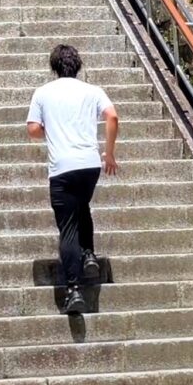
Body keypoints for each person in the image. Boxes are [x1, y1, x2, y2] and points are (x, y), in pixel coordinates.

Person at [26, 44, 119, 315]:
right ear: (78, 66)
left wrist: (51, 130)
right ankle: (89, 254)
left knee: (67, 228)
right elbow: (112, 116)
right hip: (90, 165)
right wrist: (109, 154)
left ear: (54, 67)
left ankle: (73, 290)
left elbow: (33, 129)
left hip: (62, 168)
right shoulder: (92, 90)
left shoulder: (43, 92)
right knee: (82, 208)